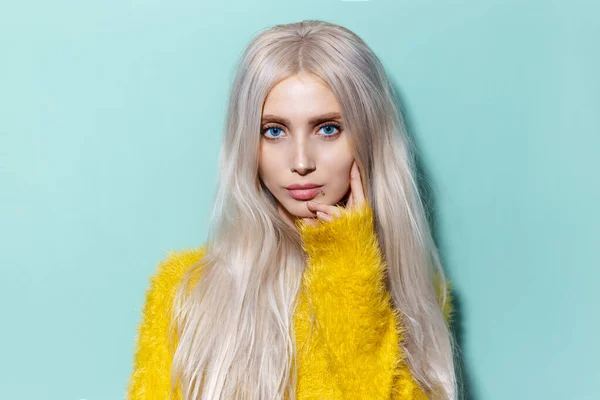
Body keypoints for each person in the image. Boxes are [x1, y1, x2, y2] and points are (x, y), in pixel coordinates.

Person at [126, 20, 457, 400]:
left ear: (369, 138)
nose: (301, 161)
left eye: (328, 128)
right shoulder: (184, 292)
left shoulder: (409, 298)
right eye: (274, 131)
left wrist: (349, 265)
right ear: (248, 142)